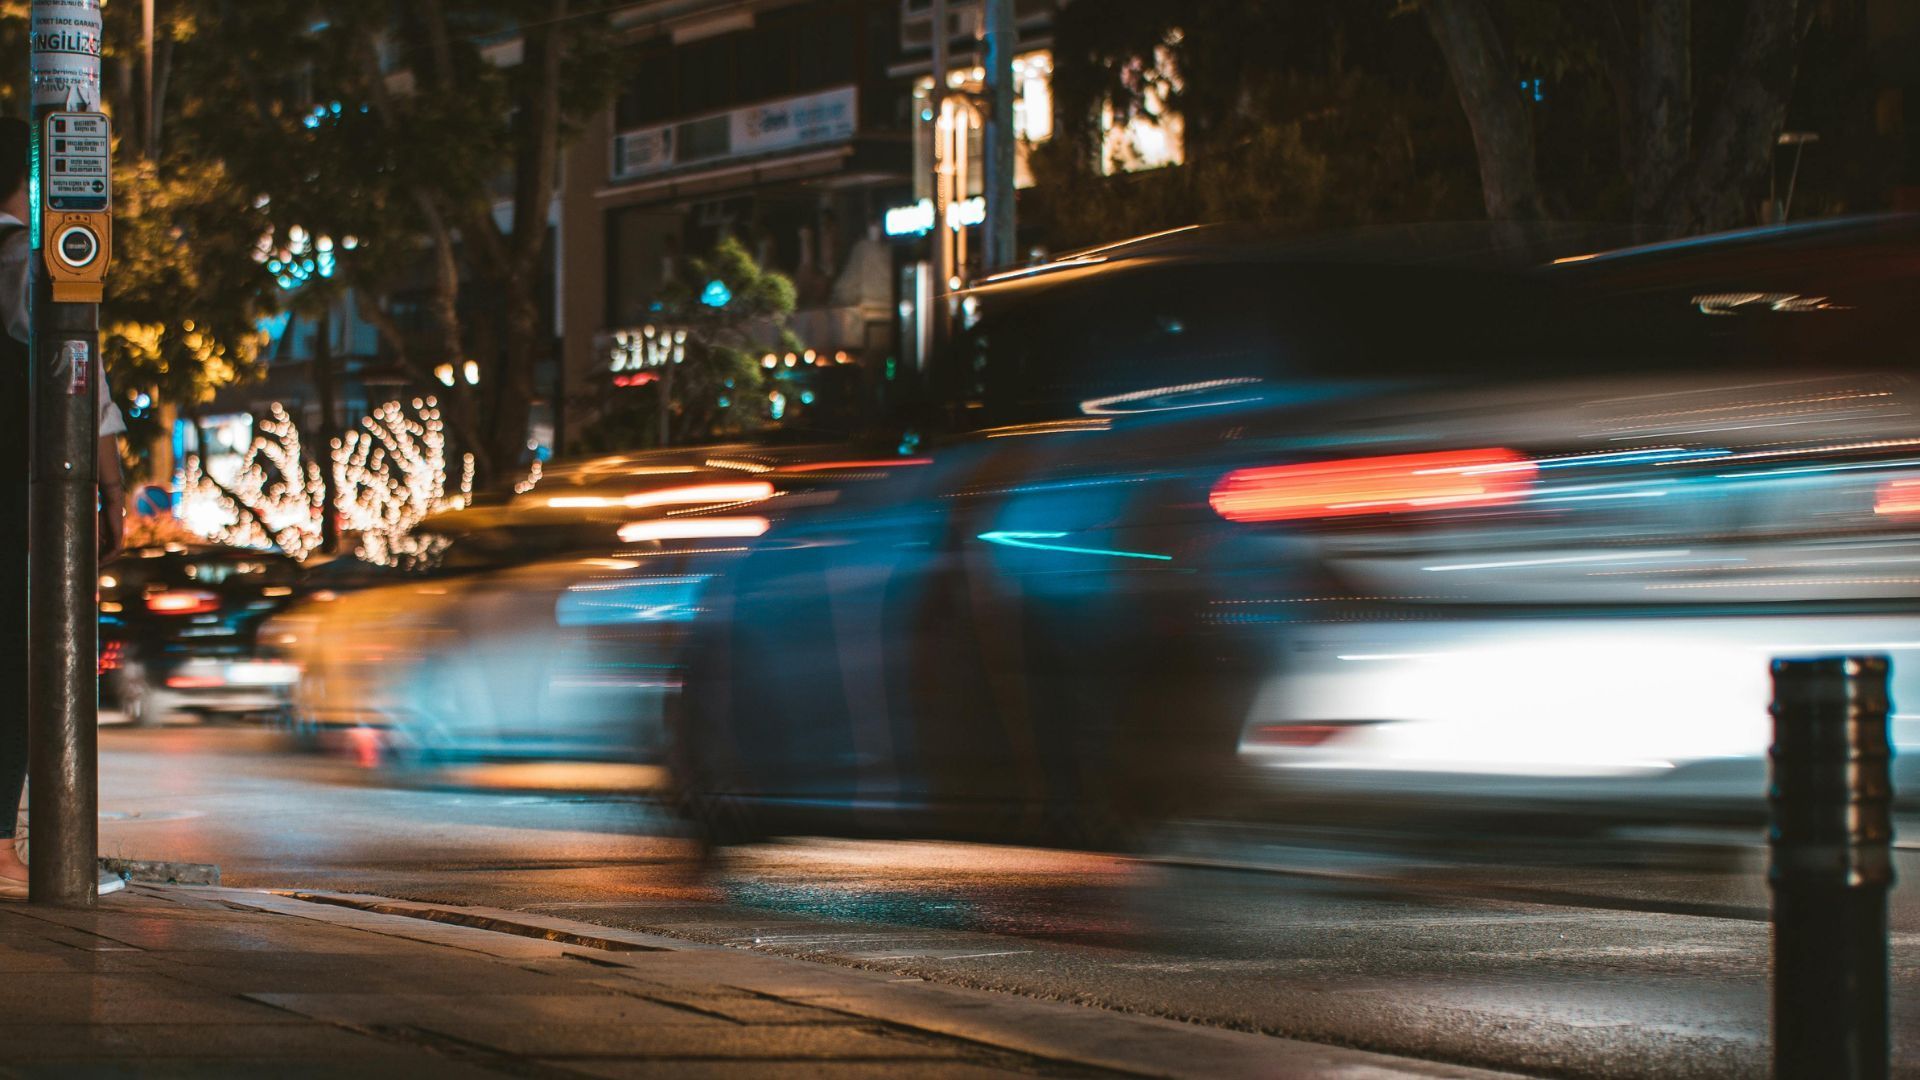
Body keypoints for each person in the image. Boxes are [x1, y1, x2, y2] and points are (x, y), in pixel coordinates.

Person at [0, 116, 126, 899]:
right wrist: (111, 492)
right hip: (15, 497)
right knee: (16, 664)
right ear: (30, 176)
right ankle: (3, 853)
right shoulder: (26, 264)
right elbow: (82, 378)